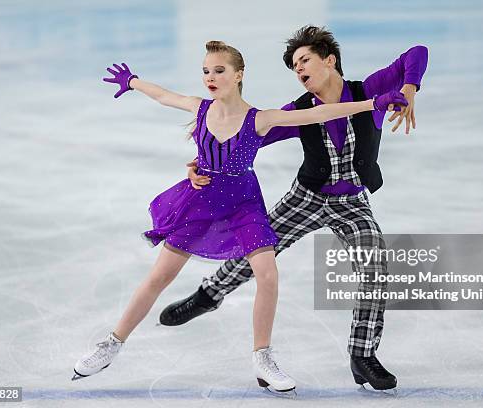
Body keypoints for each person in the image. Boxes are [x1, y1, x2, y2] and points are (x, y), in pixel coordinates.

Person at [70, 40, 408, 393]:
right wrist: (133, 81)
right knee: (159, 277)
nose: (210, 78)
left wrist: (375, 102)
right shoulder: (200, 108)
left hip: (245, 203)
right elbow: (164, 96)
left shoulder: (260, 118)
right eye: (205, 71)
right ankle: (111, 343)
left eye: (219, 71)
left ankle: (262, 356)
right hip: (201, 201)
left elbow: (318, 114)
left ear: (238, 75)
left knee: (268, 275)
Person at [159, 26, 429, 391]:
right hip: (307, 197)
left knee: (376, 264)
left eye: (304, 61)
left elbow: (417, 50)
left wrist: (409, 89)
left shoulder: (369, 90)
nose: (299, 70)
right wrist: (203, 160)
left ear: (329, 60)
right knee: (257, 249)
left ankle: (362, 355)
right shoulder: (299, 110)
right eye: (294, 66)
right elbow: (246, 136)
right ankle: (208, 295)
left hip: (352, 204)